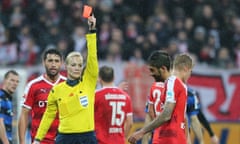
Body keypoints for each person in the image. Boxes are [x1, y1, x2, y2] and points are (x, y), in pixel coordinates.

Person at [32, 14, 98, 144]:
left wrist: (92, 32)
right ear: (66, 66)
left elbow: (92, 58)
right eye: (73, 65)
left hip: (87, 137)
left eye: (80, 65)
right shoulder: (56, 90)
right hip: (65, 138)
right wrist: (38, 139)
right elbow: (48, 116)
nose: (77, 68)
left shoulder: (88, 83)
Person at [128, 53, 194, 144]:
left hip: (168, 139)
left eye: (152, 70)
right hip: (172, 138)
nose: (151, 74)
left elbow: (166, 114)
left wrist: (142, 132)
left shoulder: (173, 82)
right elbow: (180, 118)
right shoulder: (176, 84)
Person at [18, 48, 66, 144]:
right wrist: (22, 142)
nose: (53, 64)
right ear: (44, 62)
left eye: (56, 61)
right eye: (50, 61)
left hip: (64, 139)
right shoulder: (33, 85)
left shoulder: (68, 84)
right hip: (40, 140)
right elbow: (24, 114)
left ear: (61, 63)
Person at [94, 65, 133, 144]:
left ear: (99, 78)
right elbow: (130, 123)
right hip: (119, 141)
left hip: (101, 141)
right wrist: (123, 137)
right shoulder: (126, 97)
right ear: (114, 77)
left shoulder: (96, 96)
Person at [0, 70, 20, 144]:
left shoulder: (8, 99)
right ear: (5, 81)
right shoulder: (1, 97)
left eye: (17, 81)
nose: (15, 84)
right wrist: (6, 142)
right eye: (12, 80)